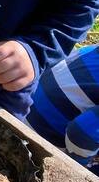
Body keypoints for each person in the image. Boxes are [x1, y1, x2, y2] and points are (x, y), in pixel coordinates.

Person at [24, 45, 99, 175]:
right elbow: (81, 133)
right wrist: (79, 171)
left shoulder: (94, 49)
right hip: (36, 140)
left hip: (23, 108)